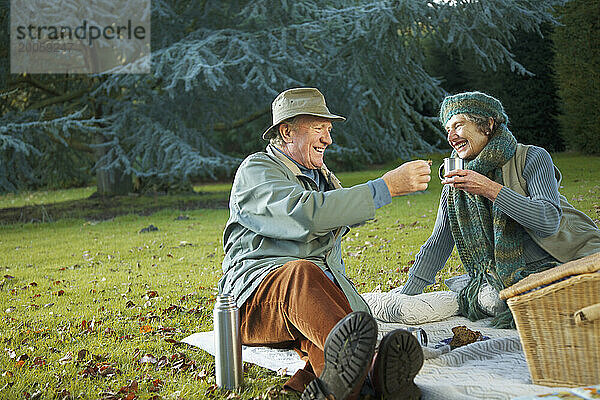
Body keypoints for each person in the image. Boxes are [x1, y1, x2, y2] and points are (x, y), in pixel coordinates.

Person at [219, 87, 431, 399]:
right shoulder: (257, 170)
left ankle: (347, 385)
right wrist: (384, 188)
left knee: (335, 344)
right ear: (287, 131)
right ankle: (375, 369)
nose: (328, 139)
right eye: (318, 128)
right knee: (303, 277)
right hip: (253, 305)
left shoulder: (322, 177)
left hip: (309, 308)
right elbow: (306, 215)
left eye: (328, 130)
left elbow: (337, 211)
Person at [398, 91, 600, 327]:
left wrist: (490, 189)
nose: (451, 137)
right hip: (518, 274)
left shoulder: (532, 157)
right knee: (487, 298)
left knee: (498, 300)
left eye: (458, 126)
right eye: (448, 130)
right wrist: (404, 297)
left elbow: (548, 221)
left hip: (574, 259)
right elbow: (438, 244)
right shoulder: (458, 181)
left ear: (487, 125)